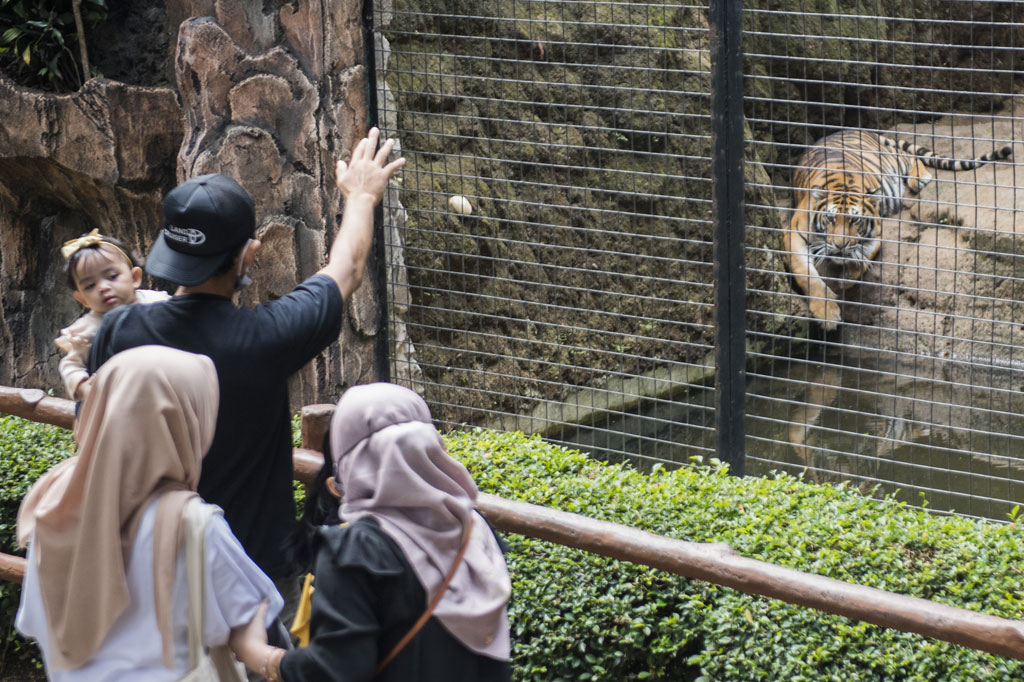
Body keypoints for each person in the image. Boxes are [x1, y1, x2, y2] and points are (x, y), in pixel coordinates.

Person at [86, 128, 405, 612]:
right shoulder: (267, 339)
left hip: (145, 563)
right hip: (250, 576)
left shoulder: (118, 331)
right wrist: (361, 195)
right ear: (248, 253)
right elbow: (347, 269)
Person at [15, 345, 283, 681]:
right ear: (184, 421)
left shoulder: (53, 501)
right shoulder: (196, 526)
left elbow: (34, 623)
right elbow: (245, 615)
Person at [228, 382, 513, 682]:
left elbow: (334, 671)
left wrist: (259, 654)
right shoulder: (476, 530)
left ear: (349, 467)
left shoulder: (354, 550)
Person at [55, 229, 170, 401]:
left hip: (168, 386)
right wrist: (83, 386)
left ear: (135, 277)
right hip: (119, 400)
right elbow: (71, 364)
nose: (103, 287)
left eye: (112, 276)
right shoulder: (87, 329)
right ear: (82, 299)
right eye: (89, 286)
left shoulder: (157, 301)